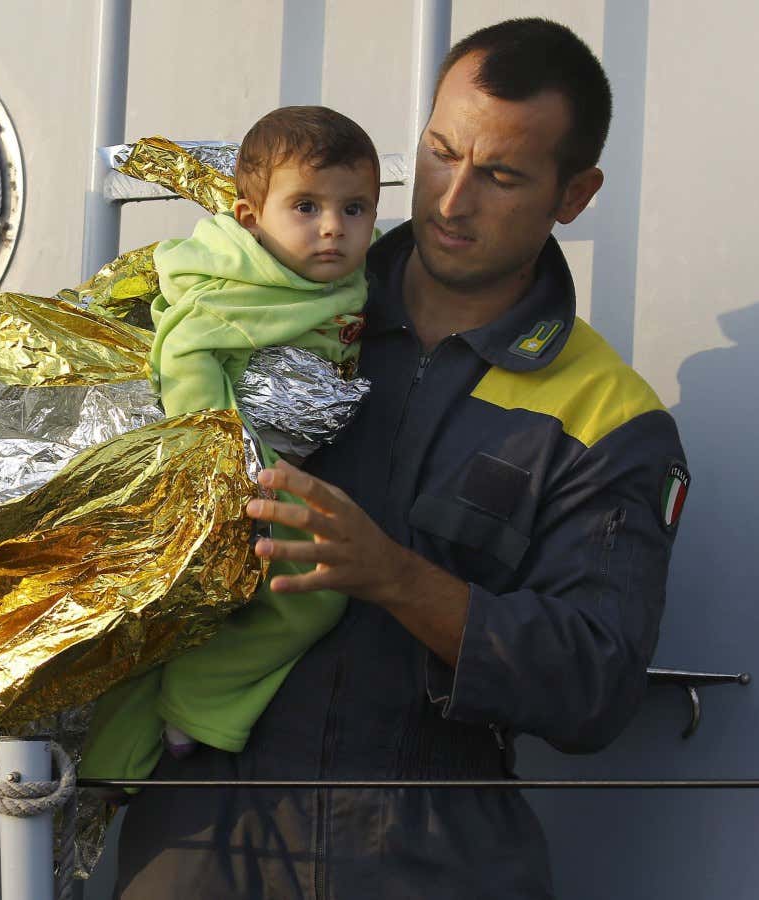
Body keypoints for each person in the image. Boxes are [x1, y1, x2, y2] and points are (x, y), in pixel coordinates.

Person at [112, 18, 688, 898]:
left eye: (500, 175)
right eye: (439, 153)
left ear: (575, 195)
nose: (451, 202)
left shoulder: (608, 415)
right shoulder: (252, 301)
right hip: (197, 832)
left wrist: (394, 577)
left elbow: (596, 686)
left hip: (430, 852)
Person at [81, 106, 377, 783]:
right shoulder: (239, 281)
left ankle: (120, 763)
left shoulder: (332, 277)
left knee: (195, 624)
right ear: (251, 219)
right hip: (232, 476)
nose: (333, 227)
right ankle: (201, 704)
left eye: (355, 208)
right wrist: (224, 470)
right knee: (315, 593)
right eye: (306, 206)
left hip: (270, 469)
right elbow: (184, 348)